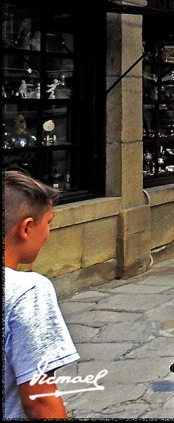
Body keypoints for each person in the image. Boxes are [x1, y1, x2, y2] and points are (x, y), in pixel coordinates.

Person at [4, 170, 80, 419]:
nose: (47, 234)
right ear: (26, 228)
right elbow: (40, 401)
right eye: (48, 223)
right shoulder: (27, 292)